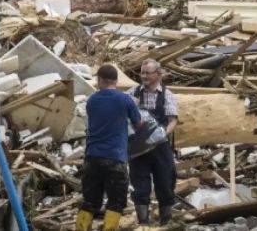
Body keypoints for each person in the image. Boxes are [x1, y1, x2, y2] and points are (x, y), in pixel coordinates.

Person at [75, 64, 142, 231]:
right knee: (116, 201)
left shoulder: (92, 100)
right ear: (116, 81)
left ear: (100, 80)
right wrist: (134, 105)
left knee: (90, 201)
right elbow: (138, 123)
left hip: (92, 157)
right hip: (115, 158)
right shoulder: (125, 99)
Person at [128, 59, 179, 225]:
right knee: (140, 184)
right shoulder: (133, 93)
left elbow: (172, 121)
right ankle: (143, 222)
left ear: (158, 74)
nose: (144, 76)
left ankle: (166, 221)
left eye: (147, 73)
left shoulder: (167, 95)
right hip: (138, 149)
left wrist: (163, 133)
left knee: (165, 182)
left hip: (160, 147)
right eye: (142, 73)